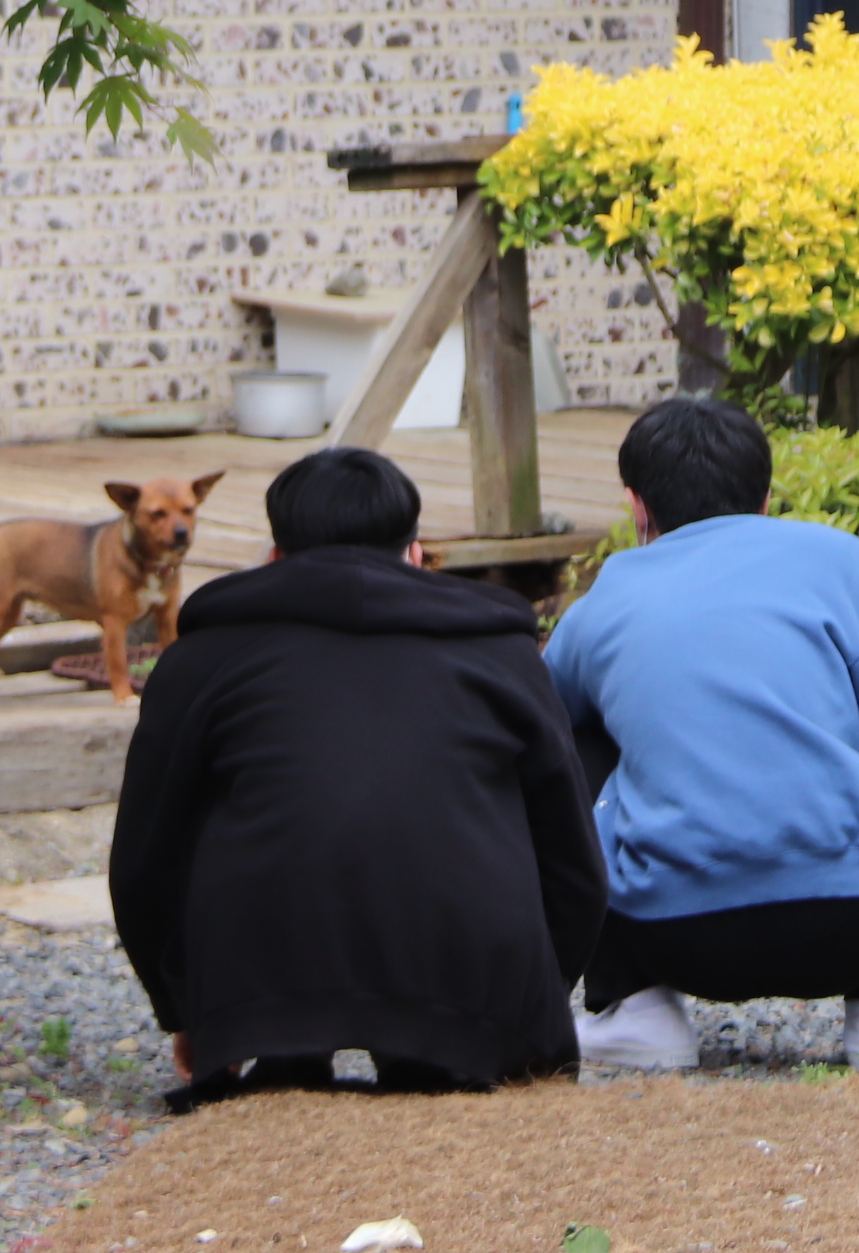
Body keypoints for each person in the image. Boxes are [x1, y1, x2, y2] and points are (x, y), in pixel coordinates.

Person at [107, 445, 606, 1107]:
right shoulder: (502, 653)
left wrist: (191, 1008)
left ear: (274, 557)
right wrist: (534, 997)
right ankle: (443, 1046)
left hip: (256, 982)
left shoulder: (202, 660)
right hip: (474, 975)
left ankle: (282, 1053)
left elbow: (144, 861)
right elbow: (573, 861)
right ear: (416, 553)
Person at [545, 395, 859, 1076]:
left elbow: (543, 720)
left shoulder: (609, 593)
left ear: (637, 507)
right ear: (767, 498)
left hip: (671, 934)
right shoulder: (837, 559)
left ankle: (635, 1007)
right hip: (856, 925)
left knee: (574, 744)